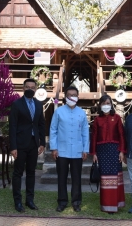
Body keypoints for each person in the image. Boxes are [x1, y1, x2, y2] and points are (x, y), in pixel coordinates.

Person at [49, 85, 90, 212]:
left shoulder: (81, 113)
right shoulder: (59, 112)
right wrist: (54, 148)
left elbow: (85, 132)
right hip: (61, 150)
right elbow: (53, 130)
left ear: (78, 97)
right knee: (62, 177)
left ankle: (76, 202)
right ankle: (62, 202)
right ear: (65, 97)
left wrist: (85, 149)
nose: (72, 97)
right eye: (69, 95)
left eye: (74, 95)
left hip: (77, 151)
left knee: (76, 177)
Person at [9, 78, 46, 213]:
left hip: (33, 143)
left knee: (31, 172)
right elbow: (12, 126)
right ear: (23, 88)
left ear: (35, 89)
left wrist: (42, 142)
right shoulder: (17, 104)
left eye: (32, 87)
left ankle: (29, 200)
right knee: (18, 173)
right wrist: (13, 147)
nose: (30, 89)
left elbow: (41, 124)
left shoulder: (38, 104)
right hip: (19, 144)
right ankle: (17, 201)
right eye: (27, 87)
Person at [90, 95, 126, 214]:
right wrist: (94, 153)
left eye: (108, 103)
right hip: (101, 151)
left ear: (111, 105)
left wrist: (121, 151)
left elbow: (121, 135)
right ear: (100, 105)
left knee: (115, 178)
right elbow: (94, 137)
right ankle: (106, 205)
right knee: (105, 179)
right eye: (104, 103)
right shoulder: (96, 120)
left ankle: (116, 204)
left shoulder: (117, 118)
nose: (106, 105)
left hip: (114, 150)